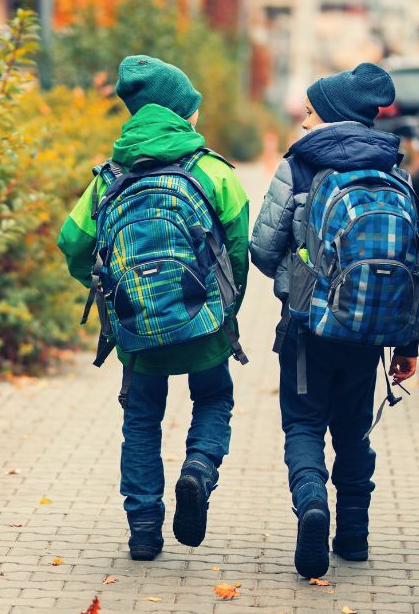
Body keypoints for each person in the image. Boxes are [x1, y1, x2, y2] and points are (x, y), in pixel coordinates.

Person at [57, 56, 249, 560]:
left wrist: (116, 295)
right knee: (213, 400)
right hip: (203, 324)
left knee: (141, 420)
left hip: (136, 327)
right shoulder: (212, 171)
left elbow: (72, 243)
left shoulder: (108, 178)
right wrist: (226, 311)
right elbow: (239, 250)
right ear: (181, 112)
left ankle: (144, 529)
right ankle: (198, 471)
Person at [250, 62, 419, 578]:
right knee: (353, 432)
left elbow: (262, 248)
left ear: (330, 114)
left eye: (310, 112)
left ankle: (311, 505)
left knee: (303, 421)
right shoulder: (394, 168)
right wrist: (407, 343)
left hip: (308, 325)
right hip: (369, 333)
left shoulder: (300, 164)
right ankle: (353, 536)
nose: (304, 123)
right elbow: (412, 262)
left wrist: (298, 282)